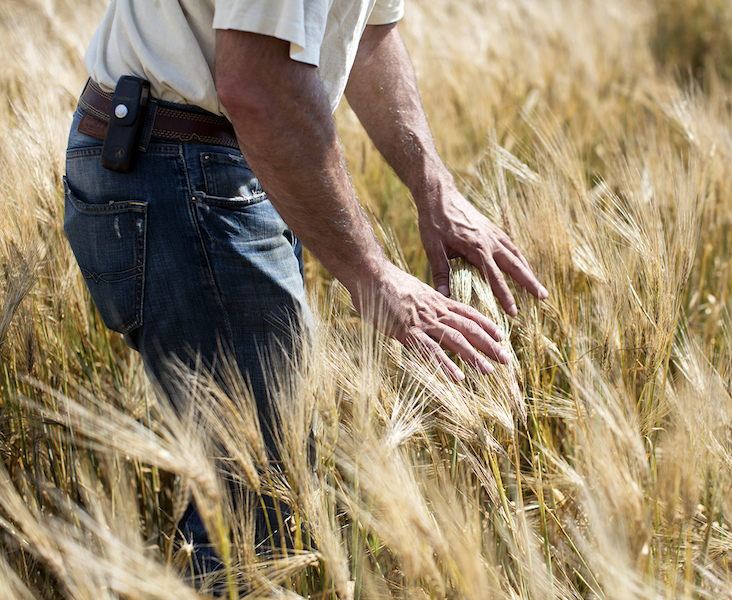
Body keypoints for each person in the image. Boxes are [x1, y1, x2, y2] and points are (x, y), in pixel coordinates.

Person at [63, 0, 547, 590]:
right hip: (182, 163)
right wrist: (373, 275)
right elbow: (256, 85)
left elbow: (367, 32)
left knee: (258, 486)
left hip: (228, 161)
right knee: (259, 511)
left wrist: (433, 187)